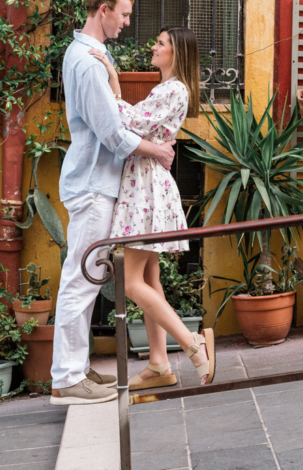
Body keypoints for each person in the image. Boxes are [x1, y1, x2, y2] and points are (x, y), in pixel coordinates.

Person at [50, 0, 177, 406]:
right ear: (102, 10)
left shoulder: (95, 56)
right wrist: (157, 149)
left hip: (99, 183)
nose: (126, 22)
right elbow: (111, 133)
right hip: (92, 184)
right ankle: (68, 377)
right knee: (81, 278)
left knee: (89, 277)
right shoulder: (87, 62)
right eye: (122, 14)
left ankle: (77, 369)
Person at [90, 26, 215, 389]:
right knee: (148, 280)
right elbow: (138, 123)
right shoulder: (168, 89)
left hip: (144, 187)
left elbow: (128, 122)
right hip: (145, 184)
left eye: (161, 43)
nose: (154, 47)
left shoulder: (174, 89)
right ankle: (159, 364)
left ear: (176, 53)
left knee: (129, 283)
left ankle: (193, 345)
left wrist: (111, 81)